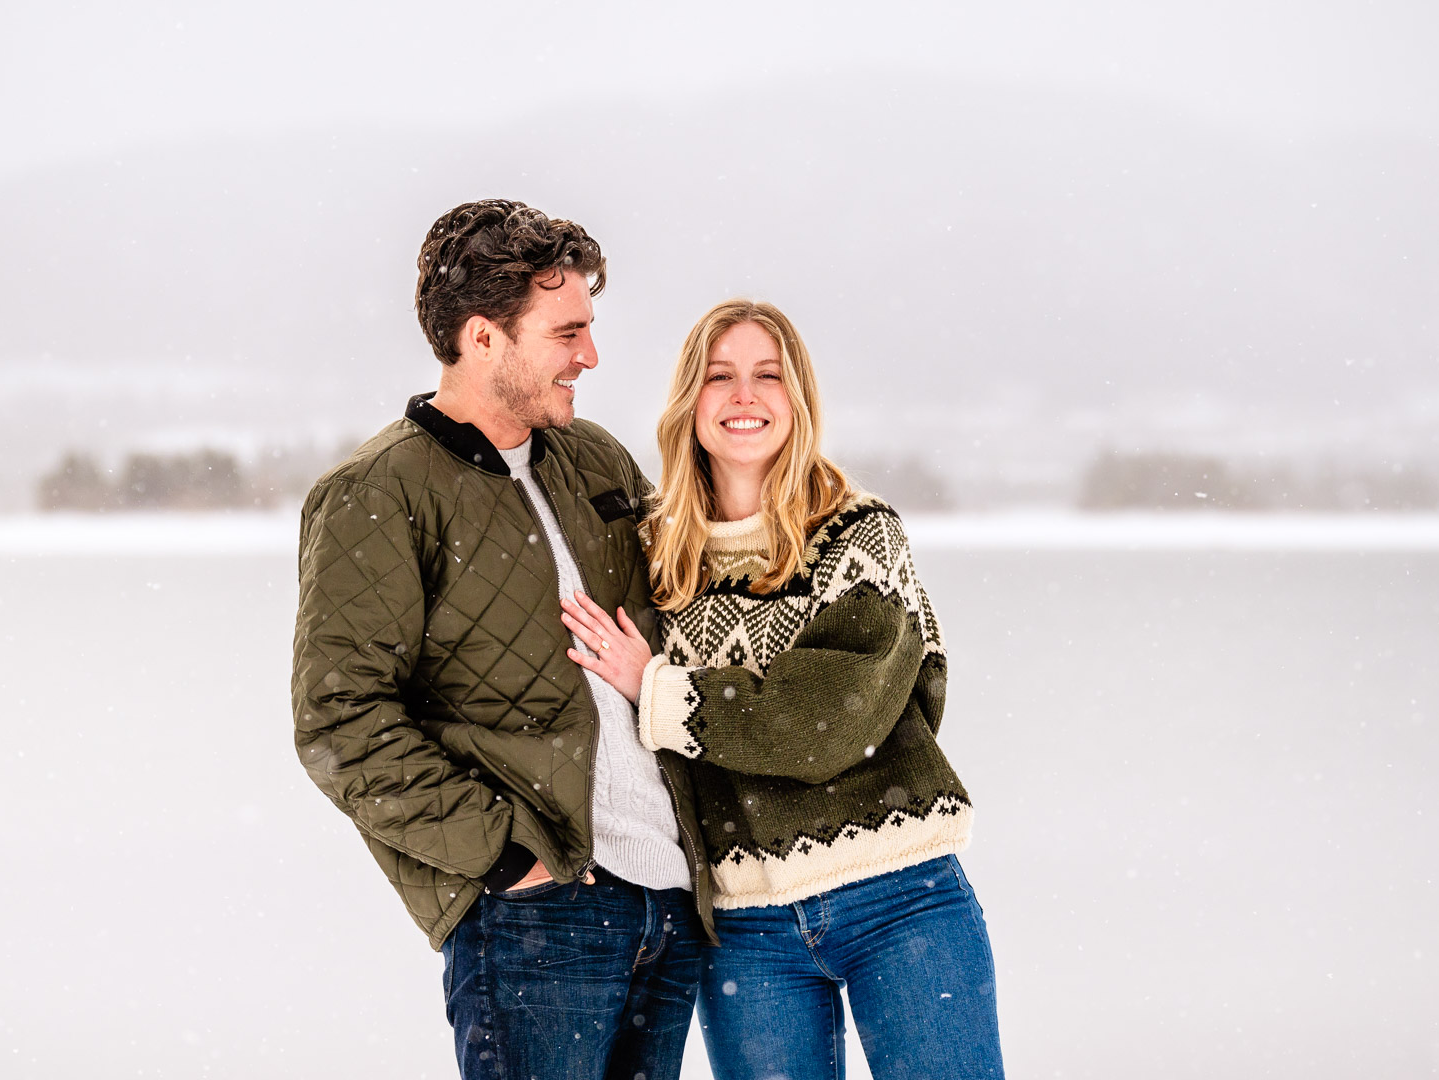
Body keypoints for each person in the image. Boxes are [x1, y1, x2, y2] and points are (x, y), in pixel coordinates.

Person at [291, 199, 713, 1080]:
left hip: (667, 904)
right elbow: (341, 722)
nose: (589, 357)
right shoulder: (379, 491)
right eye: (566, 333)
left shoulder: (592, 458)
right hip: (536, 917)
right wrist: (504, 857)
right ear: (482, 337)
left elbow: (691, 604)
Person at [558, 299, 1006, 1079]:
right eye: (719, 376)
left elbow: (823, 724)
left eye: (767, 376)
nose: (743, 397)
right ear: (688, 402)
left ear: (797, 399)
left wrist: (665, 694)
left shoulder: (860, 536)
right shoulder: (657, 561)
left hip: (898, 898)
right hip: (742, 925)